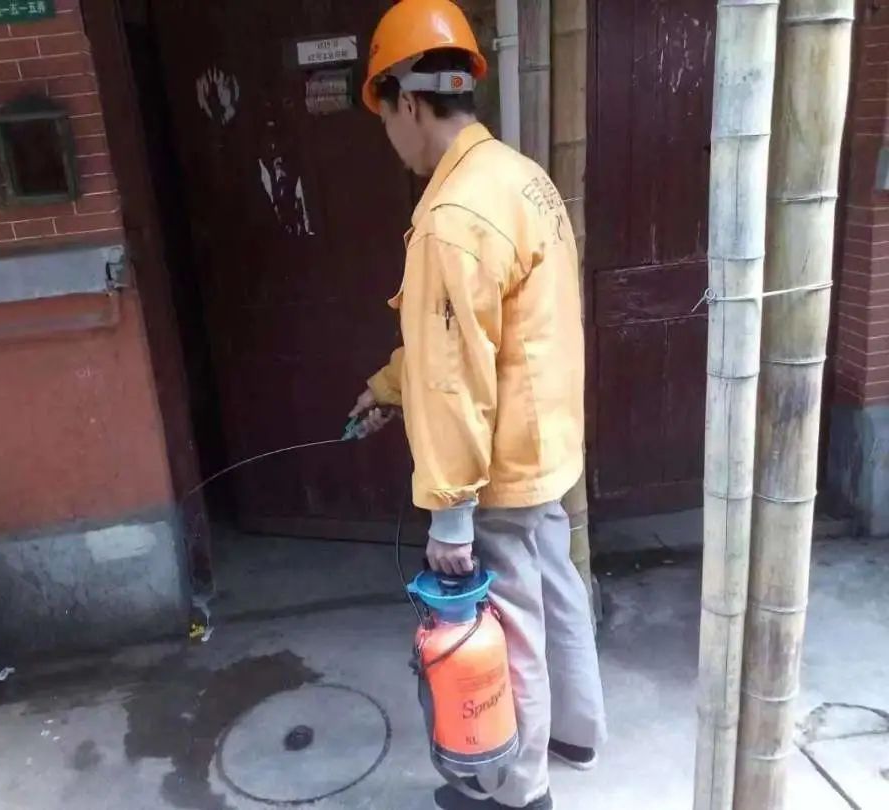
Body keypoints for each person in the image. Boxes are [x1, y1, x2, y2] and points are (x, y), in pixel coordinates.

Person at [349, 2, 607, 808]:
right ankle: (577, 731)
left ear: (409, 102)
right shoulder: (521, 177)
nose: (388, 136)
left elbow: (456, 378)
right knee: (555, 587)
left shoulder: (451, 217)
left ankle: (520, 791)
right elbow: (470, 340)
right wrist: (388, 387)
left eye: (383, 115)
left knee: (511, 625)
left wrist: (452, 518)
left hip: (498, 464)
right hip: (547, 444)